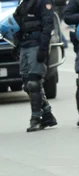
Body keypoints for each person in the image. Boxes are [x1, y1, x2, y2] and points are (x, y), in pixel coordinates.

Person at [0, 0, 58, 132]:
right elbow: (17, 23)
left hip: (36, 45)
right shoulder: (23, 4)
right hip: (25, 46)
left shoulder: (43, 2)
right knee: (27, 85)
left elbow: (48, 25)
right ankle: (47, 114)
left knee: (34, 83)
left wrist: (43, 48)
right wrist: (17, 45)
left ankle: (36, 119)